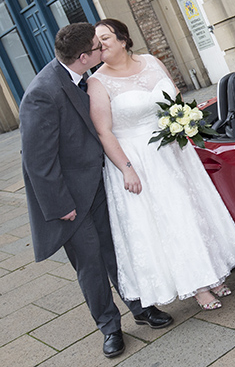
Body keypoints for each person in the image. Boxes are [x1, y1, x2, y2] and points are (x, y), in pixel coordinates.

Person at [20, 23, 173, 359]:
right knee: (90, 264)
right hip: (70, 198)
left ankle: (141, 307)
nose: (102, 48)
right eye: (96, 46)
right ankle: (109, 327)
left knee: (119, 251)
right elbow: (37, 161)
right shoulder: (41, 94)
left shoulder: (86, 76)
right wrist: (60, 205)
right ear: (83, 57)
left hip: (101, 185)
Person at [86, 18, 235, 312]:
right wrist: (126, 168)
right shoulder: (98, 82)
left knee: (194, 210)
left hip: (173, 150)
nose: (100, 45)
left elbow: (176, 99)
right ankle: (198, 286)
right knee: (170, 219)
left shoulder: (151, 61)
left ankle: (213, 273)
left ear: (123, 39)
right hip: (139, 159)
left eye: (105, 38)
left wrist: (183, 123)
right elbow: (104, 132)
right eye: (96, 42)